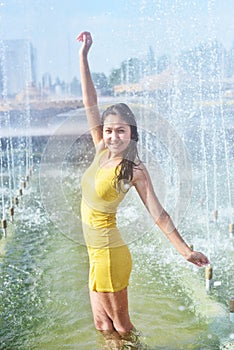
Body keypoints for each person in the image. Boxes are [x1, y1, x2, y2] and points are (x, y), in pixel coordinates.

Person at [77, 31, 209, 348]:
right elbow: (90, 102)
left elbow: (159, 214)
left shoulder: (134, 170)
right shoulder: (100, 150)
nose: (112, 136)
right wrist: (83, 57)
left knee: (122, 327)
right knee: (102, 324)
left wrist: (185, 251)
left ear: (131, 134)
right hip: (95, 254)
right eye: (109, 130)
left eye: (120, 131)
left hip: (110, 253)